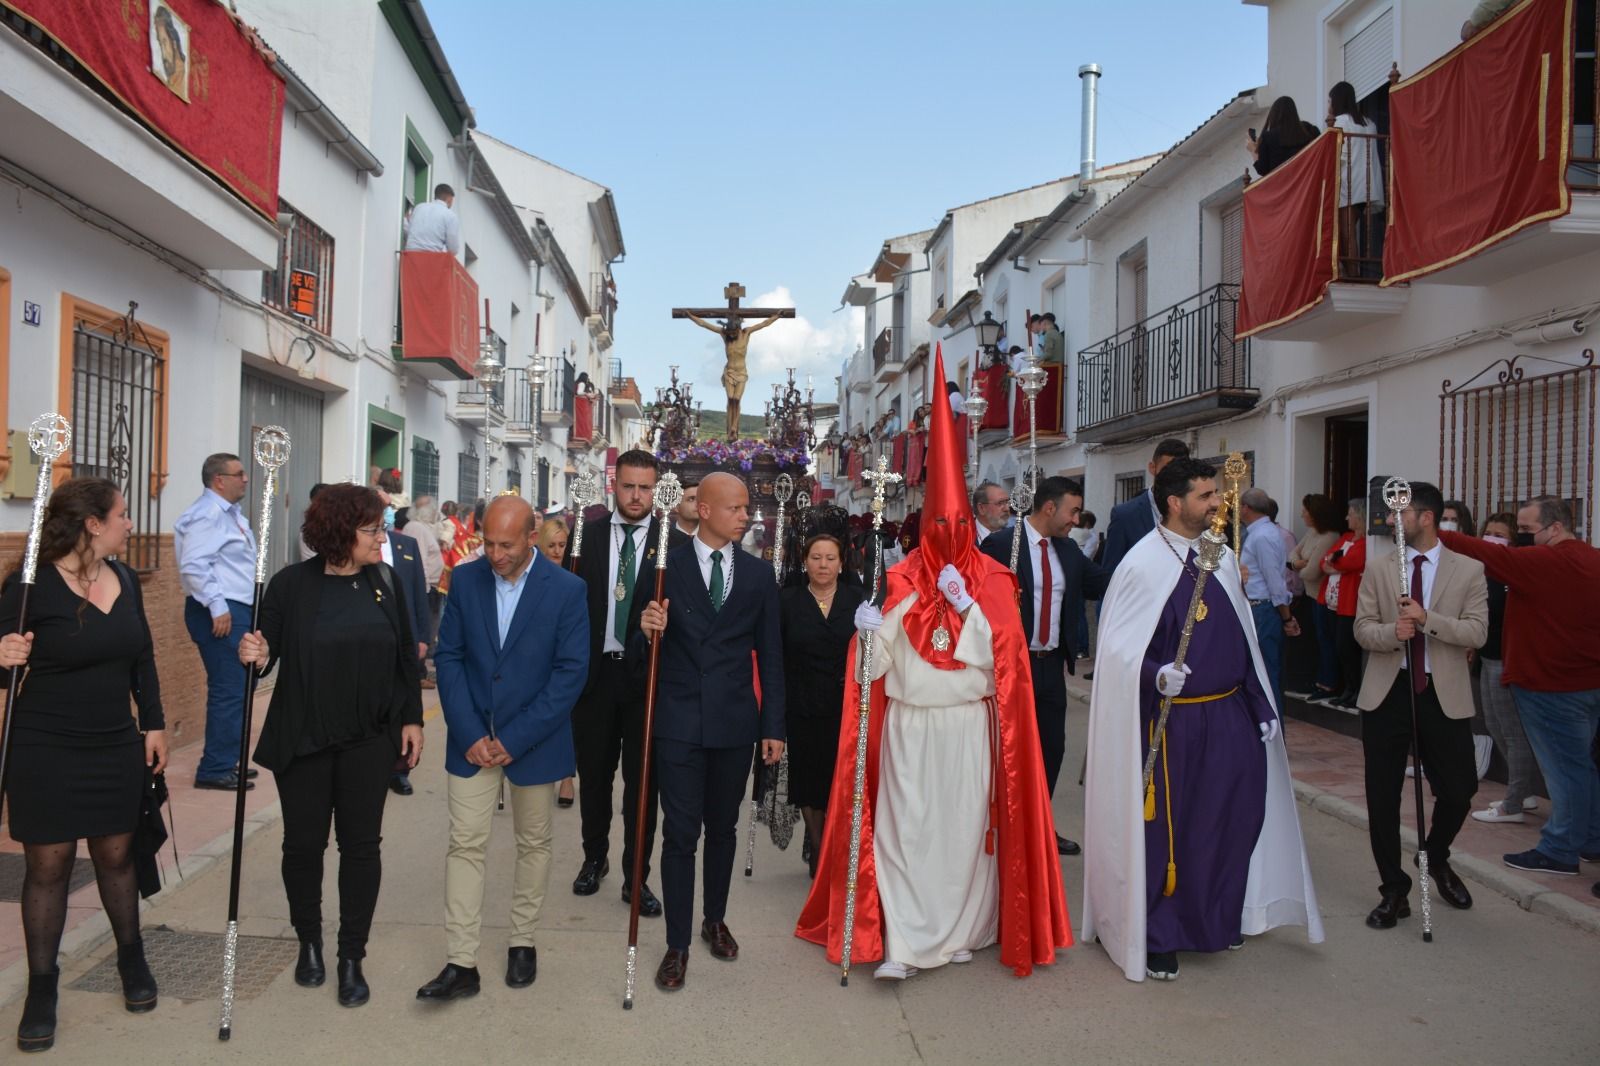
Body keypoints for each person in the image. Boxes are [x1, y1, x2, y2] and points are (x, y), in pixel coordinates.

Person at [798, 349, 1069, 981]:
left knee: (962, 838)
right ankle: (905, 943)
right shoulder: (897, 578)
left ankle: (962, 929)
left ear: (969, 522)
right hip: (910, 729)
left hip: (968, 730)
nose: (947, 528)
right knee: (903, 833)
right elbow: (873, 670)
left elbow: (1006, 663)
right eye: (936, 520)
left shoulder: (997, 579)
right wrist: (868, 634)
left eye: (956, 520)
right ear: (922, 524)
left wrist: (969, 607)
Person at [1082, 458, 1323, 982]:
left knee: (1233, 823)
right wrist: (1155, 674)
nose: (1218, 503)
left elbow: (1246, 641)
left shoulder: (1221, 554)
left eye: (1217, 493)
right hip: (1175, 722)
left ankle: (1214, 919)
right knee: (1175, 833)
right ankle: (1161, 933)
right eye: (1206, 495)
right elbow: (1117, 651)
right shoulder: (1142, 564)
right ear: (1175, 502)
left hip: (1231, 714)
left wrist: (1260, 707)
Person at [238, 483, 425, 1007]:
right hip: (305, 738)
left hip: (369, 739)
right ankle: (309, 943)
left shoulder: (384, 580)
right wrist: (254, 651)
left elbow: (405, 657)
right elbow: (266, 654)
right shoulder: (291, 586)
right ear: (341, 532)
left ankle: (351, 955)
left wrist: (412, 718)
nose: (380, 537)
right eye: (371, 529)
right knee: (303, 847)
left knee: (362, 848)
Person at [1, 478, 167, 1052]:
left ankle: (131, 960)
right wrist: (4, 654)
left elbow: (142, 655)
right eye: (123, 515)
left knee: (117, 854)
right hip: (45, 744)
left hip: (114, 741)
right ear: (93, 524)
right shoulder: (30, 586)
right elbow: (5, 662)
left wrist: (154, 722)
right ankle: (41, 989)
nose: (129, 523)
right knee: (49, 866)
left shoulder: (123, 578)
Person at [417, 495, 587, 1001]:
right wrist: (469, 734)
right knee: (464, 843)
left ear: (532, 536)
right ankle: (461, 962)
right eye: (488, 542)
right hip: (472, 741)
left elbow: (570, 673)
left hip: (535, 741)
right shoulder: (466, 580)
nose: (495, 554)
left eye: (506, 545)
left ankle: (521, 941)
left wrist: (514, 739)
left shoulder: (567, 590)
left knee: (534, 844)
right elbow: (449, 658)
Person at [637, 472, 786, 991]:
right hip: (678, 721)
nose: (748, 516)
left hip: (733, 722)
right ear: (704, 510)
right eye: (738, 508)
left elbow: (770, 655)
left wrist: (773, 726)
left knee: (722, 829)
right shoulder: (664, 567)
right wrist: (646, 628)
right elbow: (641, 646)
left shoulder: (756, 575)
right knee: (680, 833)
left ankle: (713, 919)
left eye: (748, 508)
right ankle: (677, 944)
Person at [1440, 496, 1600, 876]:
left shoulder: (1548, 561)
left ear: (1556, 528)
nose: (1520, 539)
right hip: (1586, 684)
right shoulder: (1594, 559)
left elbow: (1489, 555)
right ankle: (1591, 839)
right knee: (1581, 767)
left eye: (1526, 531)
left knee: (1565, 772)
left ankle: (1560, 849)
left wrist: (1437, 533)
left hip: (1549, 686)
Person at [1353, 481, 1486, 927]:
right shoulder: (1379, 568)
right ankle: (1394, 891)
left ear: (1425, 517)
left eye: (1401, 514)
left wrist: (1429, 621)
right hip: (1388, 692)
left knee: (1459, 788)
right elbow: (1362, 629)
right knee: (1382, 797)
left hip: (1441, 694)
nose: (1393, 522)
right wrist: (1393, 633)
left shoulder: (1468, 570)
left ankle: (1435, 855)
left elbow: (1476, 633)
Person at [569, 450, 684, 918]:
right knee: (594, 777)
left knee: (643, 784)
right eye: (628, 486)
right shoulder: (586, 537)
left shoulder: (673, 545)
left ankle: (636, 876)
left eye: (645, 488)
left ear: (656, 491)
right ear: (613, 487)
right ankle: (593, 858)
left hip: (646, 681)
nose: (636, 496)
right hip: (594, 680)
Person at [981, 476, 1110, 854]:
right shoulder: (1002, 543)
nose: (1076, 519)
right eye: (1072, 510)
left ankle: (1039, 828)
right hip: (1009, 666)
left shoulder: (1068, 552)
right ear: (1050, 507)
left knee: (1051, 749)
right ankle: (999, 829)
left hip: (1051, 666)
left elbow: (1104, 582)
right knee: (1004, 750)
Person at [780, 534, 865, 878]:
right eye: (816, 558)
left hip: (845, 705)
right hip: (801, 704)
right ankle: (817, 847)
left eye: (831, 558)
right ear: (805, 561)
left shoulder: (858, 600)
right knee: (808, 780)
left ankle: (836, 845)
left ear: (842, 563)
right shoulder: (787, 601)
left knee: (837, 780)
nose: (823, 565)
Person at [174, 452, 258, 792]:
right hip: (221, 610)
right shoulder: (208, 514)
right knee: (229, 688)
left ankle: (228, 758)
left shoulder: (229, 514)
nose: (246, 479)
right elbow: (194, 565)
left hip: (236, 607)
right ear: (219, 480)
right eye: (239, 474)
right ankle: (216, 767)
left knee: (241, 686)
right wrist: (217, 605)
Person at [1469, 513, 1541, 823]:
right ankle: (1521, 791)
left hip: (1504, 658)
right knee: (1494, 725)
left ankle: (1514, 804)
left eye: (1501, 534)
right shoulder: (1484, 570)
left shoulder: (1513, 573)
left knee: (1512, 732)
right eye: (1489, 533)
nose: (1493, 539)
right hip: (1486, 656)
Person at [383, 513, 433, 797]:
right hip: (377, 637)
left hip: (406, 638)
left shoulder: (406, 545)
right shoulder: (361, 547)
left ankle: (400, 769)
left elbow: (418, 592)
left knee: (406, 701)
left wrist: (423, 636)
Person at [1239, 487, 1302, 710]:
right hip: (1259, 609)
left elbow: (1274, 581)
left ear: (1246, 508)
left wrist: (1286, 617)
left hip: (1263, 609)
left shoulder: (1263, 535)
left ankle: (1273, 733)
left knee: (1265, 672)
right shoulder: (1260, 533)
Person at [533, 516, 577, 808]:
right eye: (552, 545)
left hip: (566, 657)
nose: (557, 551)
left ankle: (567, 778)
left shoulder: (576, 577)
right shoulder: (531, 576)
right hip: (537, 657)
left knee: (568, 718)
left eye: (563, 545)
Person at [1101, 438, 1191, 572]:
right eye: (1166, 470)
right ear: (1152, 468)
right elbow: (1111, 572)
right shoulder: (1125, 516)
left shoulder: (1193, 512)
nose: (1173, 477)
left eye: (1179, 471)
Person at [1328, 81, 1385, 278]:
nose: (1329, 106)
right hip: (1366, 186)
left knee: (1346, 232)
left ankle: (1353, 274)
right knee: (1349, 230)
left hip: (1348, 184)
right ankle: (1351, 271)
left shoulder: (1340, 122)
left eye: (1330, 101)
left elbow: (1338, 155)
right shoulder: (1369, 123)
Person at [1290, 494, 1344, 702]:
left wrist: (1299, 565)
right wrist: (1298, 563)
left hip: (1321, 596)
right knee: (1313, 640)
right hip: (1310, 594)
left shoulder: (1329, 537)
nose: (1302, 515)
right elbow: (1293, 554)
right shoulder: (1313, 532)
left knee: (1324, 640)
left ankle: (1328, 682)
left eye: (1306, 511)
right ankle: (1317, 679)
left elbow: (1312, 572)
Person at [1320, 497, 1368, 709]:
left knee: (1347, 648)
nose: (1347, 517)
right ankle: (1347, 688)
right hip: (1332, 601)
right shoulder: (1346, 537)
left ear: (1360, 516)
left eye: (1351, 513)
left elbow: (1352, 562)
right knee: (1337, 647)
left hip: (1349, 603)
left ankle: (1355, 689)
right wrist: (1335, 564)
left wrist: (1335, 563)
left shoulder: (1366, 542)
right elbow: (1324, 561)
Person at [401, 495, 445, 690]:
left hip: (432, 587)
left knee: (428, 630)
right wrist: (424, 589)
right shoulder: (416, 528)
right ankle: (417, 674)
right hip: (426, 589)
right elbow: (420, 561)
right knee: (421, 633)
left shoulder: (423, 527)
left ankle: (421, 673)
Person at [1248, 95, 1321, 177]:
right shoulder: (1309, 129)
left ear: (1273, 115)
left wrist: (1253, 150)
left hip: (1285, 186)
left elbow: (1262, 170)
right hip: (1309, 181)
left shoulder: (1268, 137)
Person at [1069, 509, 1103, 656]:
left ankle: (1082, 647)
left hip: (1081, 576)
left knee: (1079, 613)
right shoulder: (1086, 535)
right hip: (1074, 574)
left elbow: (1086, 556)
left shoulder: (1092, 537)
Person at [404, 183, 461, 256]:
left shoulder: (419, 208)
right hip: (431, 259)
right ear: (450, 198)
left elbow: (410, 232)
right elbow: (453, 249)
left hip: (410, 257)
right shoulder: (450, 216)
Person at [972, 481, 1011, 546]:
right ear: (981, 508)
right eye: (1000, 503)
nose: (1007, 509)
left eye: (1007, 502)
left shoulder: (1013, 537)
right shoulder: (963, 536)